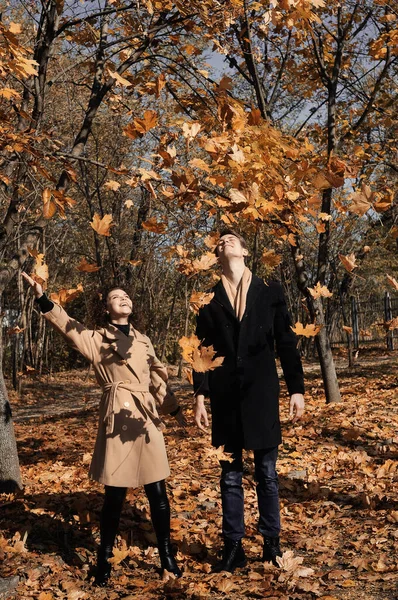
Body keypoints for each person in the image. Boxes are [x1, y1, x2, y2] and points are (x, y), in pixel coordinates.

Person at [22, 273, 185, 586]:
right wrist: (43, 298)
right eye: (115, 297)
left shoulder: (143, 339)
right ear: (107, 309)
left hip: (146, 417)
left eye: (126, 295)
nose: (122, 298)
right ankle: (105, 562)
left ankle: (167, 558)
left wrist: (173, 409)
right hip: (118, 417)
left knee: (158, 491)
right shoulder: (96, 338)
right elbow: (68, 327)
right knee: (114, 494)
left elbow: (156, 380)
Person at [193, 230, 305, 572]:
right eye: (220, 242)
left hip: (261, 392)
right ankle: (233, 546)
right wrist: (200, 395)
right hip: (225, 397)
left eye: (230, 239)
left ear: (244, 250)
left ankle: (272, 544)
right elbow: (200, 350)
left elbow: (285, 341)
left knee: (267, 474)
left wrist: (296, 389)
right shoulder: (207, 298)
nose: (223, 242)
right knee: (229, 475)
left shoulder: (269, 290)